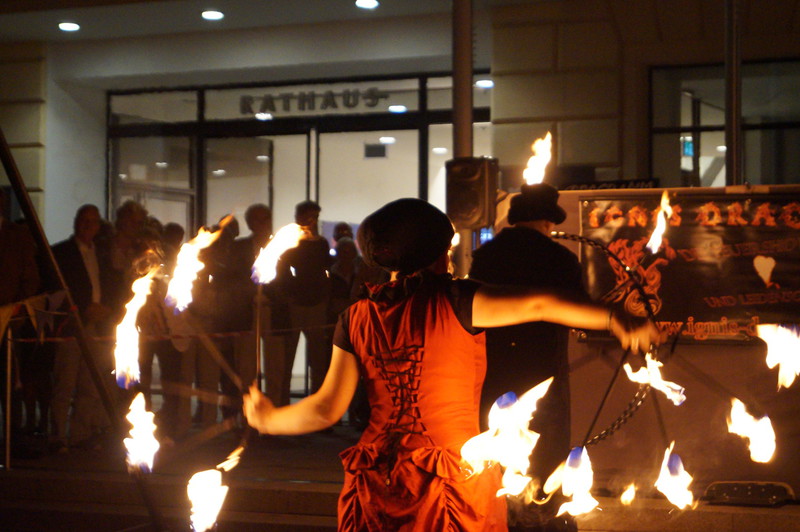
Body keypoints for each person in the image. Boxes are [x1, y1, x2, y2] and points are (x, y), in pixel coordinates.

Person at [244, 198, 662, 531]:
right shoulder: (458, 300)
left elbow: (325, 409)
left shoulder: (355, 317)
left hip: (375, 480)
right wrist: (615, 320)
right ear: (439, 253)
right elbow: (539, 303)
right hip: (449, 481)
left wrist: (270, 419)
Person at [469, 182, 587, 531]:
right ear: (548, 221)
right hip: (544, 371)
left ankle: (497, 519)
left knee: (496, 453)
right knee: (545, 454)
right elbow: (578, 311)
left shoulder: (486, 255)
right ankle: (541, 520)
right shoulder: (560, 259)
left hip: (494, 371)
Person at [49, 204, 114, 452]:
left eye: (93, 221)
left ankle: (80, 434)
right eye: (84, 220)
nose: (88, 225)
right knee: (65, 382)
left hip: (96, 327)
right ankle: (57, 435)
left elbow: (108, 285)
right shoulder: (62, 252)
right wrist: (79, 309)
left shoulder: (101, 254)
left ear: (98, 226)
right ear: (76, 222)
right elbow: (55, 288)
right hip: (71, 325)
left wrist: (105, 309)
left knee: (90, 383)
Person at [274, 200, 333, 400]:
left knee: (316, 358)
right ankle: (285, 399)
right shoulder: (294, 243)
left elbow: (325, 270)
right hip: (299, 302)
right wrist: (289, 294)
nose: (312, 221)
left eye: (314, 217)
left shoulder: (317, 243)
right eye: (309, 216)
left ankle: (313, 399)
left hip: (311, 302)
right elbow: (283, 270)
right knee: (291, 357)